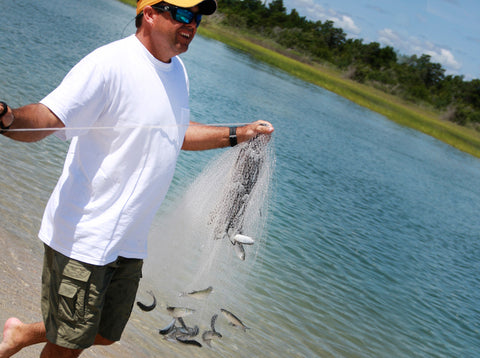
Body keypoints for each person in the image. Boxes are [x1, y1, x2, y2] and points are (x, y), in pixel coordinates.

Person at [0, 0, 274, 356]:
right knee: (69, 345)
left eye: (198, 17)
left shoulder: (178, 72)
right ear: (149, 13)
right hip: (87, 234)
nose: (192, 23)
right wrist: (6, 117)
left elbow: (175, 133)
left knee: (103, 333)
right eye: (182, 14)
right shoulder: (110, 63)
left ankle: (20, 335)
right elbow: (49, 117)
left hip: (129, 239)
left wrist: (239, 133)